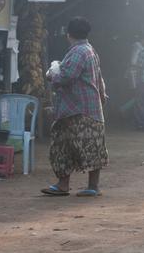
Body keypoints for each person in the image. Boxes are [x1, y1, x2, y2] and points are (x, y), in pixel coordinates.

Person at [42, 17, 109, 197]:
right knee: (89, 147)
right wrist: (102, 96)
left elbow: (66, 76)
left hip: (78, 109)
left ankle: (67, 185)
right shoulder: (90, 50)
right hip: (87, 108)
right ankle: (89, 186)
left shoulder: (78, 52)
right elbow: (99, 78)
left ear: (68, 34)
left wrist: (51, 74)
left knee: (63, 146)